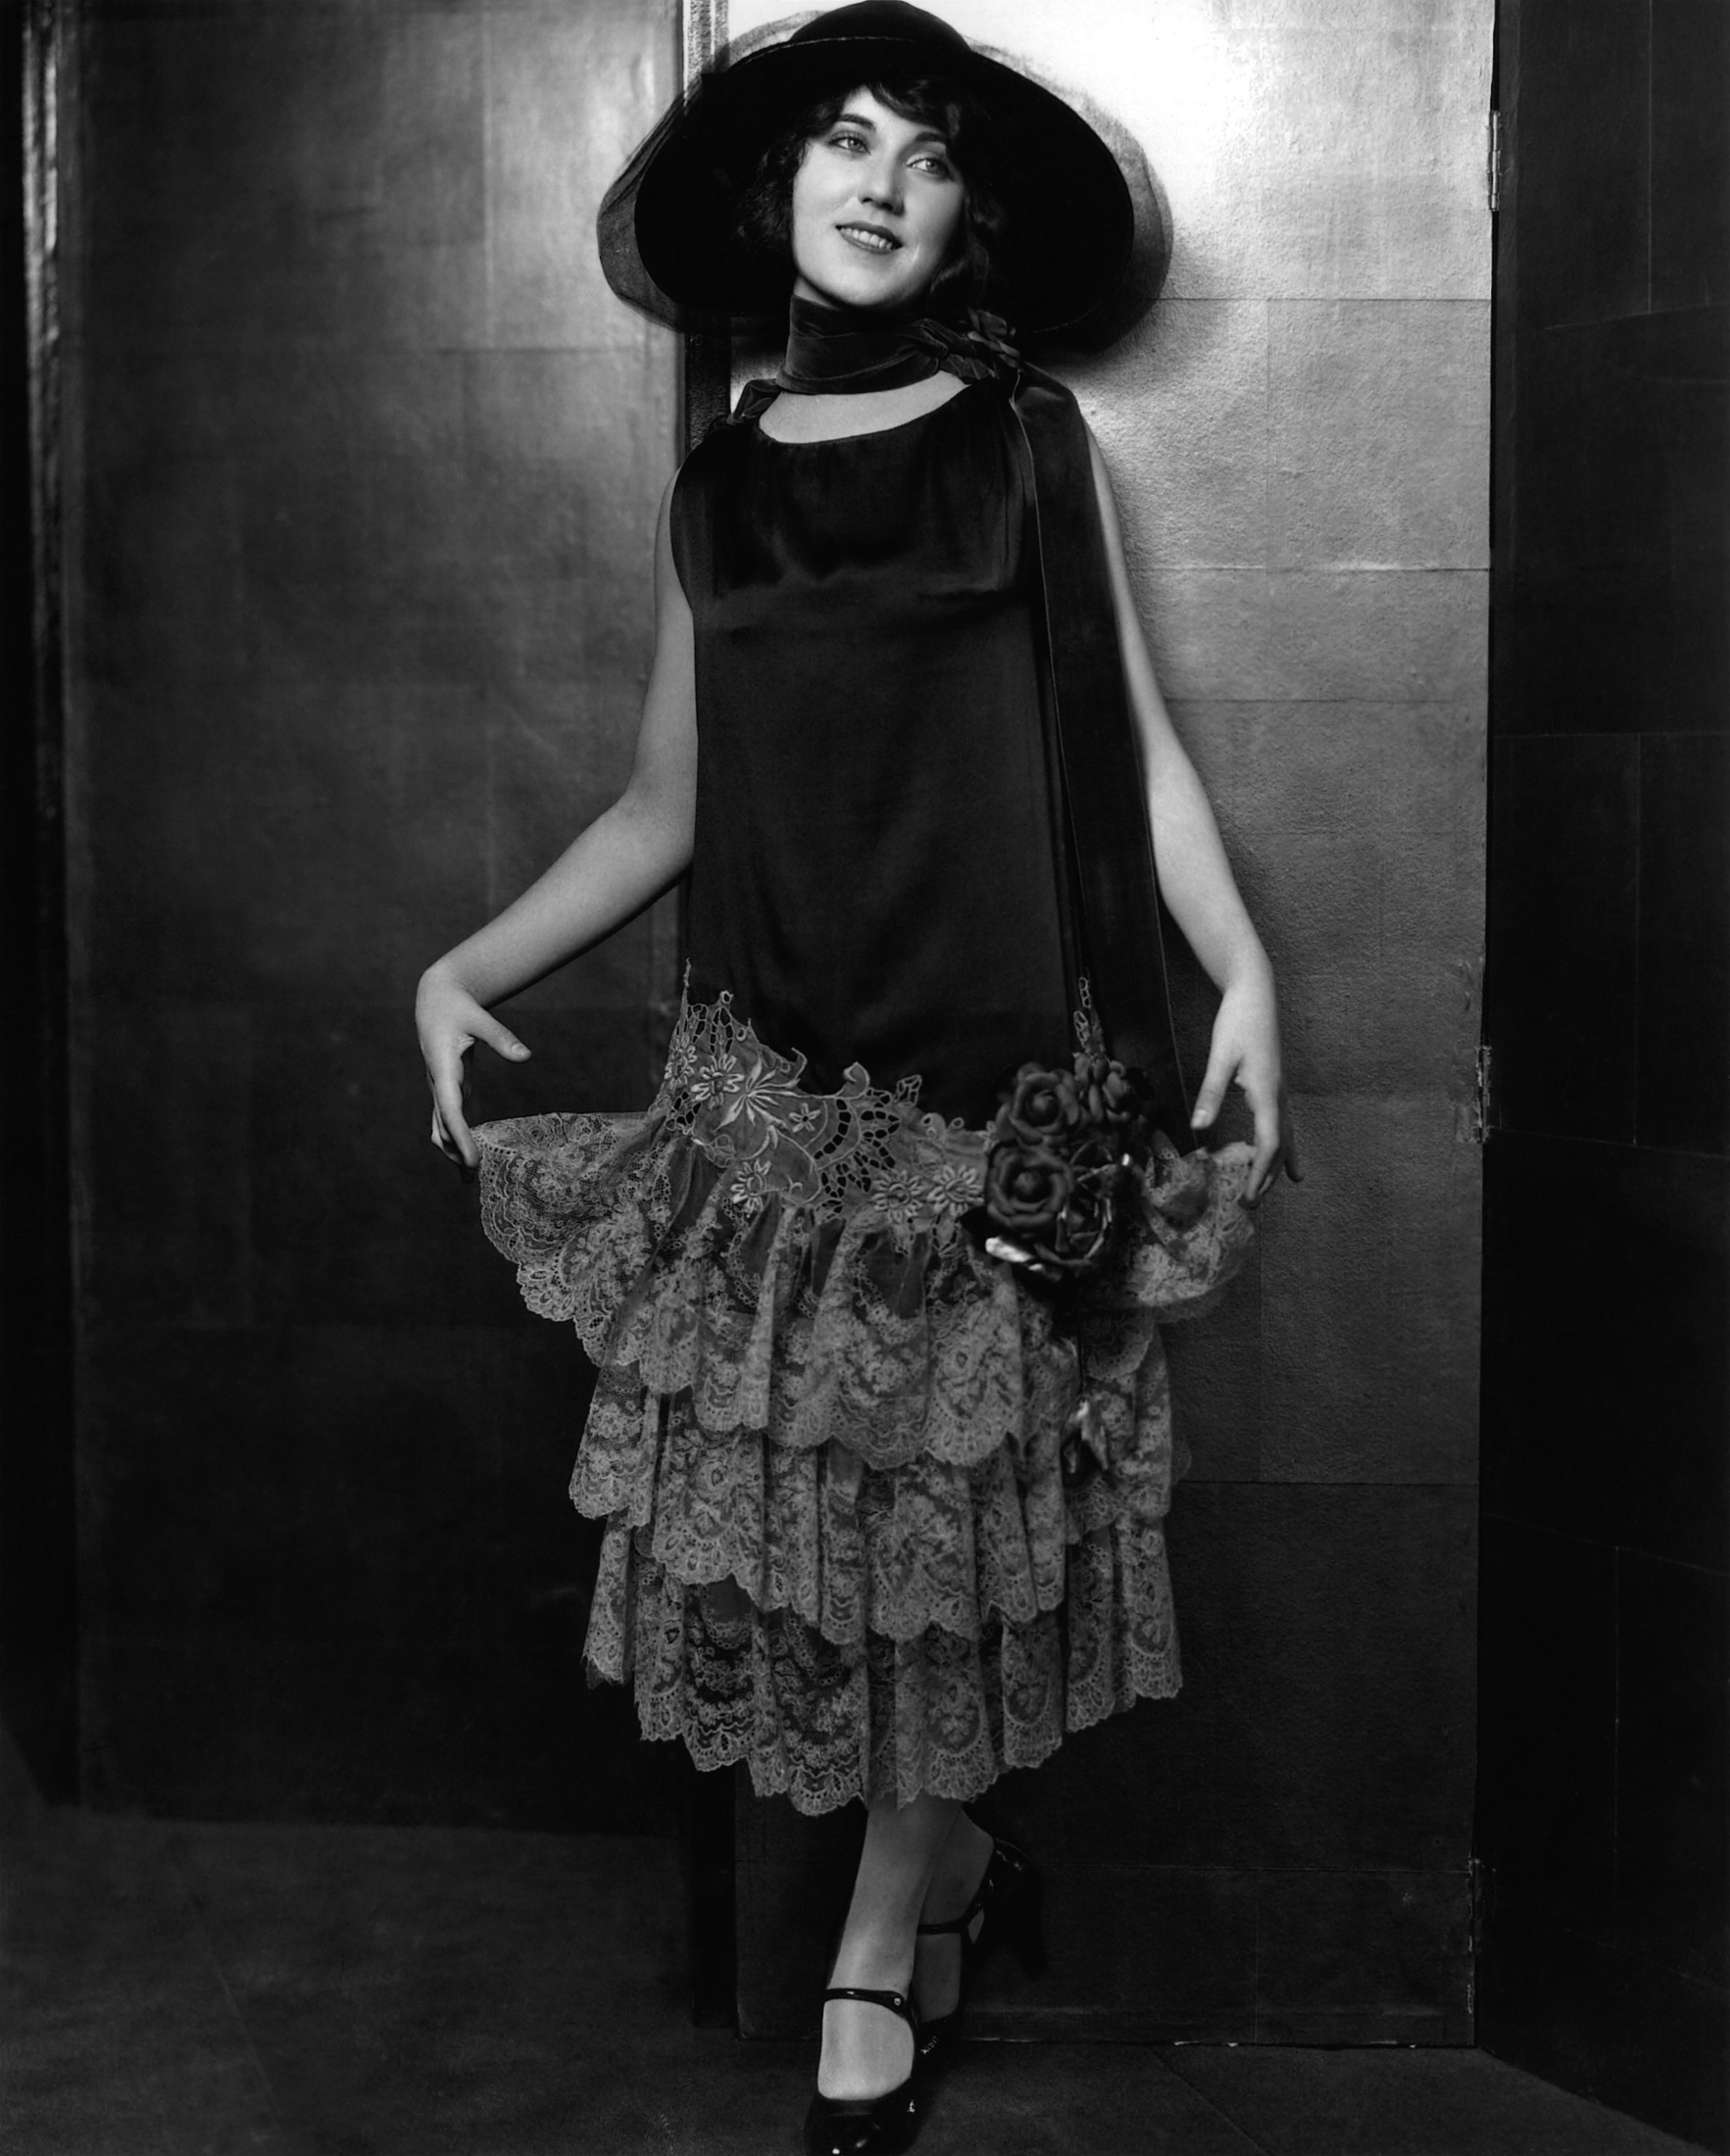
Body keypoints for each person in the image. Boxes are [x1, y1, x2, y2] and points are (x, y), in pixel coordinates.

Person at [416, 7, 1298, 2150]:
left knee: (942, 1558)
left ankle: (874, 1942)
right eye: (841, 139)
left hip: (986, 1093)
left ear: (963, 210)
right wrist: (464, 960)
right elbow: (663, 804)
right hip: (769, 1096)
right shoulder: (719, 481)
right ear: (778, 186)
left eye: (921, 151)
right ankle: (951, 1868)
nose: (878, 180)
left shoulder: (1024, 442)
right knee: (837, 1568)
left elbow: (1136, 744)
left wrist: (1241, 964)